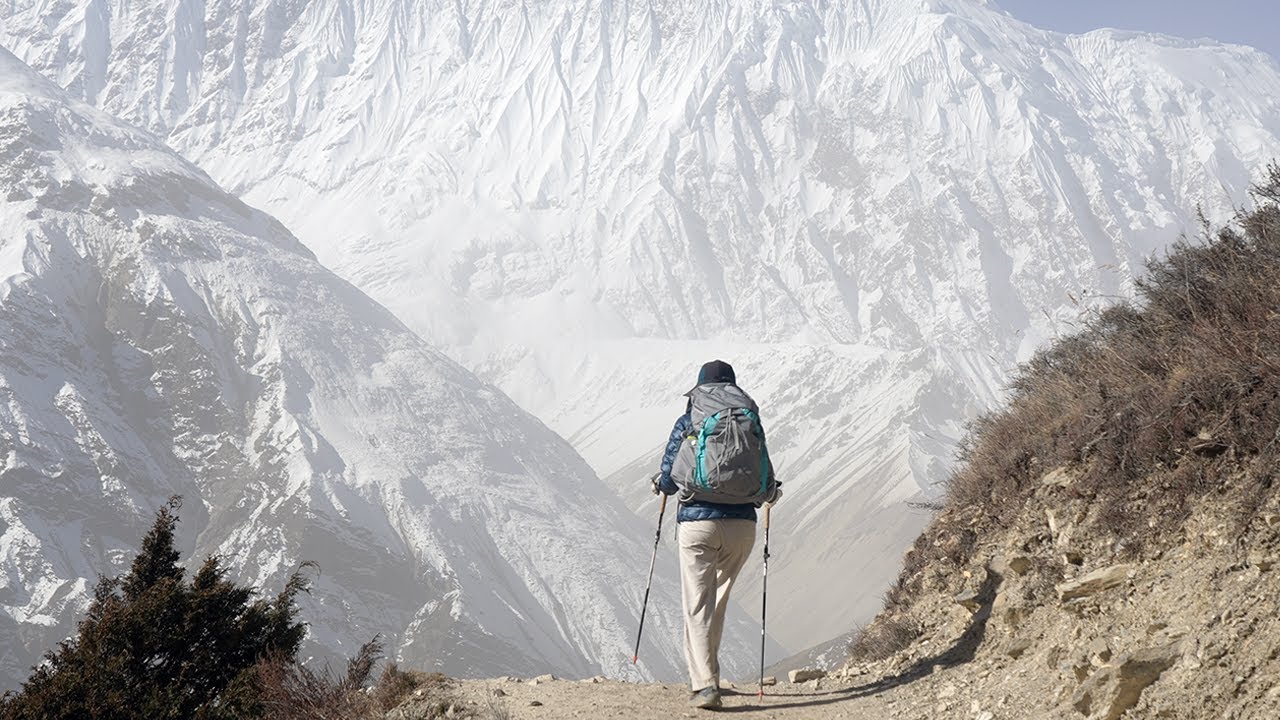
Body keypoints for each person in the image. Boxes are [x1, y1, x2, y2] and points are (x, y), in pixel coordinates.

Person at [653, 359, 781, 710]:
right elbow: (766, 475)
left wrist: (660, 484)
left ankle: (705, 685)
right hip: (742, 527)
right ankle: (711, 675)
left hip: (698, 525)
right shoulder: (748, 418)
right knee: (718, 603)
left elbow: (669, 476)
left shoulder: (690, 419)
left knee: (698, 605)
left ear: (700, 388)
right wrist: (769, 495)